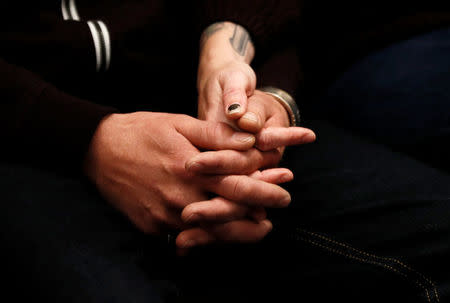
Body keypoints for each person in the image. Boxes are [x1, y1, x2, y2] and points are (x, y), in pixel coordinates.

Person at [1, 1, 450, 302]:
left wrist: (264, 92)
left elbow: (280, 24)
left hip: (197, 107)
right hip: (29, 143)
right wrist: (86, 138)